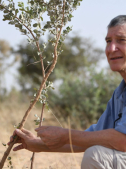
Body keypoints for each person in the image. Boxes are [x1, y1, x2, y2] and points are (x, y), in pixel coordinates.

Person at [8, 15, 126, 169]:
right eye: (108, 41)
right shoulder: (120, 93)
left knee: (96, 156)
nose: (111, 49)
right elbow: (93, 137)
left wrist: (65, 135)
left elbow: (122, 141)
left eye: (121, 40)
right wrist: (39, 144)